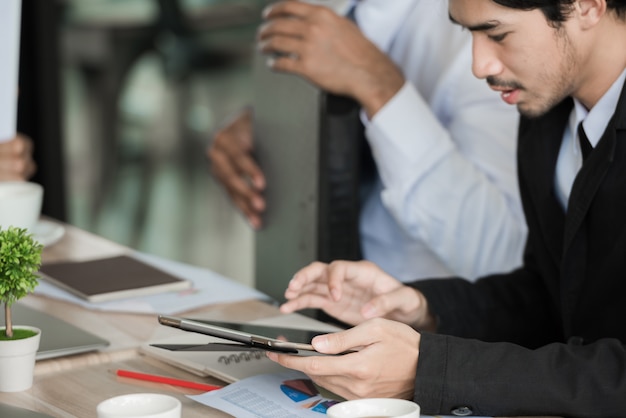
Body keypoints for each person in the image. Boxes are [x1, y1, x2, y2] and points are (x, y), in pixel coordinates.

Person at [264, 0, 626, 416]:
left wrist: (432, 369)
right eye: (468, 34)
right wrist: (424, 308)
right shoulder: (547, 114)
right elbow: (553, 299)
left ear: (586, 7)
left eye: (498, 34)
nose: (480, 65)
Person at [208, 0, 527, 282]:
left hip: (424, 324)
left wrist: (380, 87)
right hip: (296, 292)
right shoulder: (312, 7)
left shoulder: (489, 30)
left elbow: (505, 262)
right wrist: (269, 123)